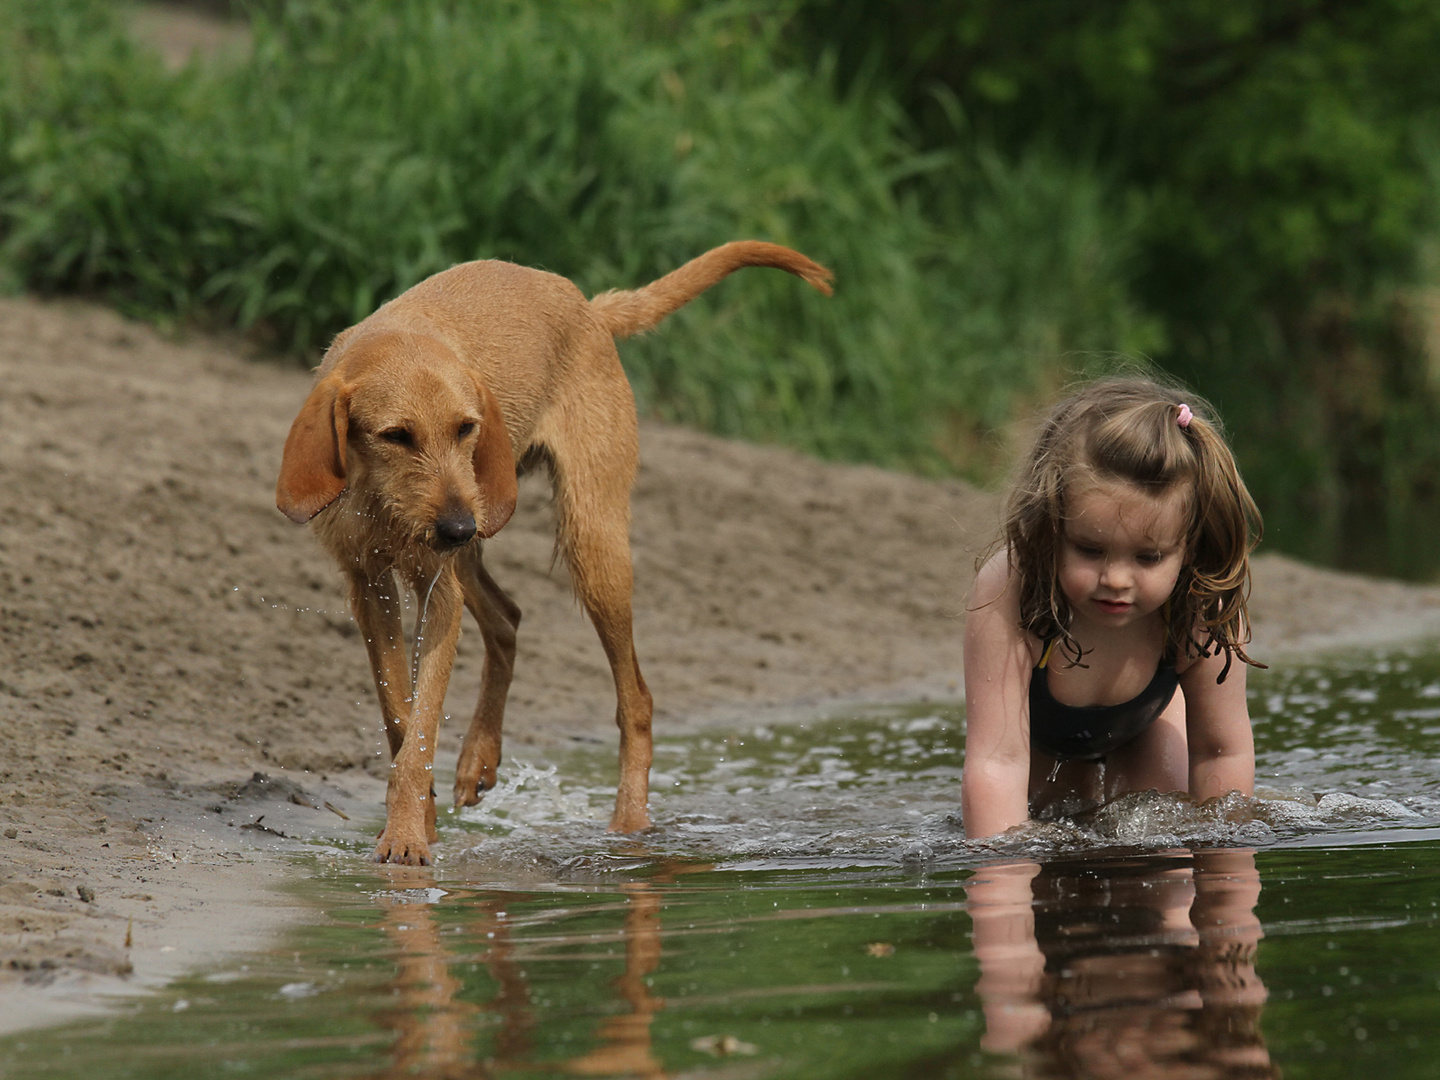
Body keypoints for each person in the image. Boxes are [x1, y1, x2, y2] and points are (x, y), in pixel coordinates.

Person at [962, 375, 1262, 838]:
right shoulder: (1015, 589)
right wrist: (1001, 890)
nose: (1116, 580)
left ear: (1189, 548)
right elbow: (996, 761)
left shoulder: (1202, 603)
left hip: (1148, 729)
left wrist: (1227, 891)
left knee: (1162, 840)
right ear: (1051, 525)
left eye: (1148, 557)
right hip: (1037, 743)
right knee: (1040, 838)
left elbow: (1221, 755)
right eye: (1089, 549)